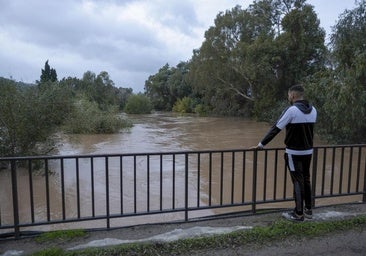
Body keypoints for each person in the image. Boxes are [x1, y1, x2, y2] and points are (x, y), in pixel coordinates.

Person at [252, 84, 317, 221]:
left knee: (297, 182)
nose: (288, 97)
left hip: (294, 153)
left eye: (289, 95)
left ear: (292, 95)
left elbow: (276, 128)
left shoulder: (292, 110)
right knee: (306, 179)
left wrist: (261, 144)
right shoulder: (313, 110)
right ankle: (309, 210)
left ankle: (298, 214)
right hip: (308, 151)